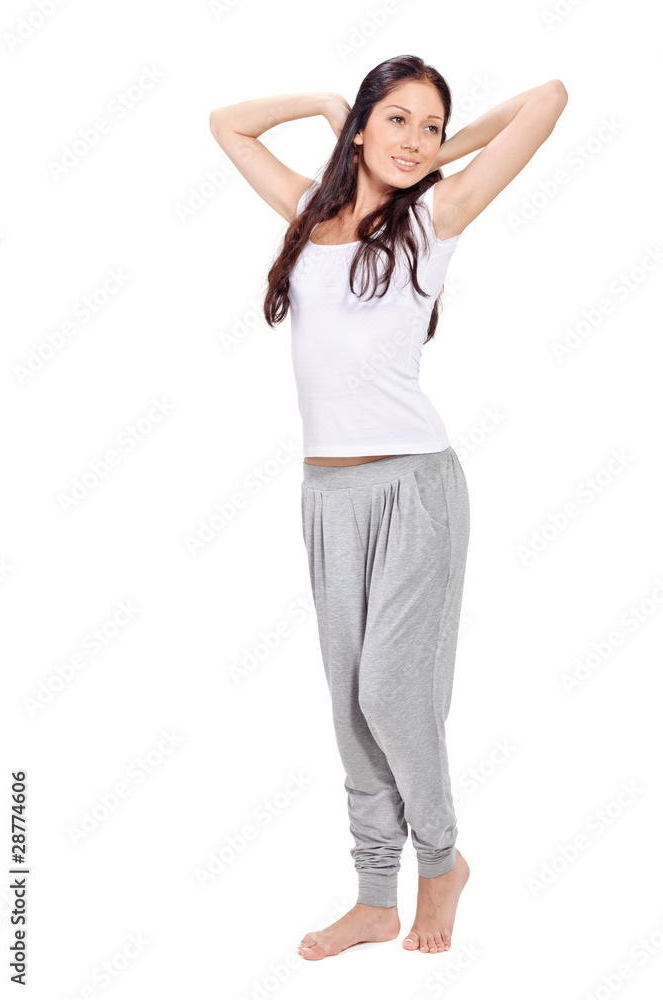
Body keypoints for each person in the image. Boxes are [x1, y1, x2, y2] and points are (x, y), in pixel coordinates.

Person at [210, 55, 568, 961]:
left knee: (391, 692)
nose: (415, 139)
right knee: (349, 707)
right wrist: (325, 104)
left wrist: (439, 155)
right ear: (362, 126)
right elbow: (227, 125)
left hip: (414, 489)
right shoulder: (307, 211)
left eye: (430, 125)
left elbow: (548, 98)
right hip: (326, 498)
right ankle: (375, 897)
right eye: (396, 119)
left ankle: (440, 862)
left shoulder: (433, 218)